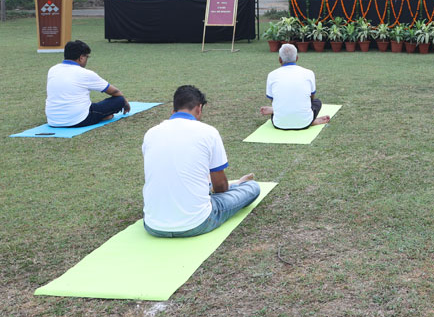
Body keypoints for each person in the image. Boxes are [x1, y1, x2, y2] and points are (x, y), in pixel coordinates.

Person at [142, 85, 260, 238]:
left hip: (153, 225)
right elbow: (220, 187)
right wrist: (228, 188)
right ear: (199, 108)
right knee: (252, 187)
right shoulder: (208, 132)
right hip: (197, 223)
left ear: (173, 110)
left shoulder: (151, 133)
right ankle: (238, 185)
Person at [45, 40, 130, 127]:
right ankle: (102, 117)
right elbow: (114, 92)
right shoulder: (85, 73)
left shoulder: (52, 70)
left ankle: (103, 116)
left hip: (53, 120)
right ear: (81, 57)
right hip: (79, 119)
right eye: (87, 57)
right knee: (119, 100)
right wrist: (125, 102)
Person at [259, 43, 331, 129]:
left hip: (279, 123)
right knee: (317, 102)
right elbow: (311, 97)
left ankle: (275, 110)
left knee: (280, 106)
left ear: (280, 59)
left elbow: (273, 100)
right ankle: (311, 121)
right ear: (297, 58)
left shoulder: (272, 75)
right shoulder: (309, 73)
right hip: (304, 122)